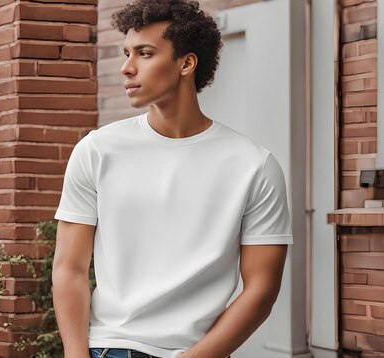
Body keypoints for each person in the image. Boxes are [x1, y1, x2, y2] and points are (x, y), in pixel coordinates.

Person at [51, 1, 293, 357]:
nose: (126, 68)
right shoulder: (97, 151)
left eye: (144, 53)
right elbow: (69, 268)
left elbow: (261, 291)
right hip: (111, 349)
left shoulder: (254, 166)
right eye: (126, 53)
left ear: (186, 63)